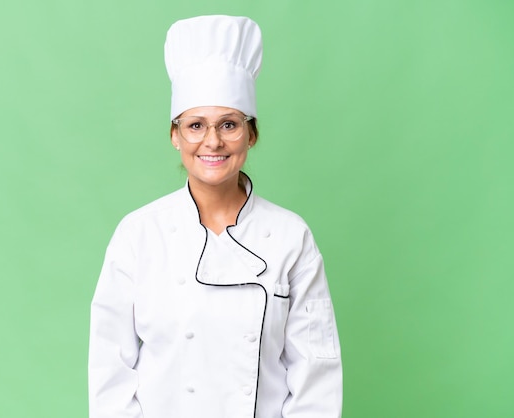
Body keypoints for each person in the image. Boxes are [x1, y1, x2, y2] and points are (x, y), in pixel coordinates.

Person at [88, 15, 342, 418]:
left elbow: (317, 374)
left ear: (251, 134)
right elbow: (110, 371)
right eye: (195, 125)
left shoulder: (291, 236)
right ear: (175, 136)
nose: (213, 141)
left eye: (229, 124)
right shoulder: (139, 234)